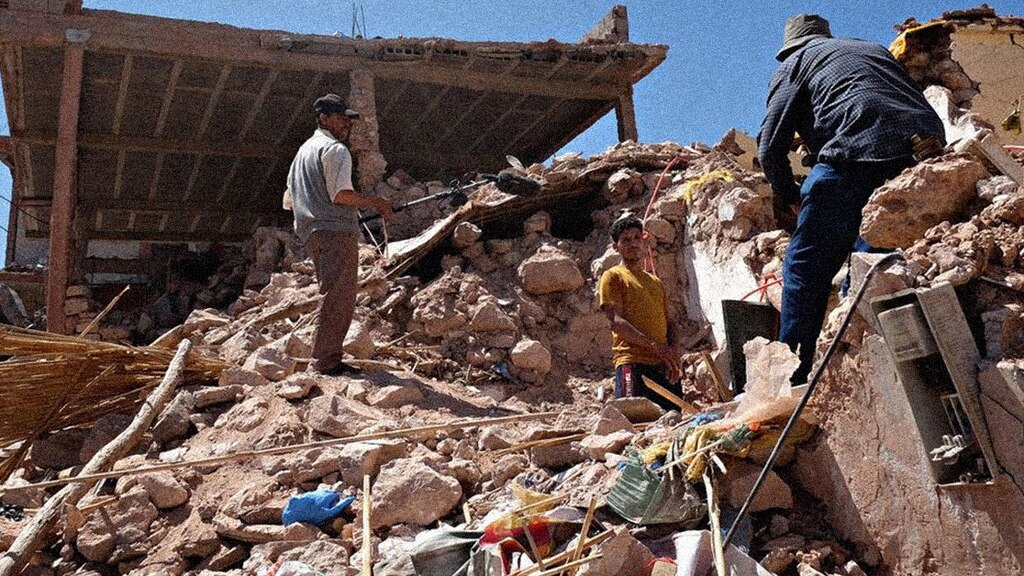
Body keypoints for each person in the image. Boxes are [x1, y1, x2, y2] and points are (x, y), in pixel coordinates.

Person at [757, 14, 945, 384]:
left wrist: (790, 196)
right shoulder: (872, 50)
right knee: (869, 263)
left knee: (804, 267)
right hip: (925, 149)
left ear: (790, 48)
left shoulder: (796, 63)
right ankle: (869, 356)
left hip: (856, 149)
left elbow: (769, 150)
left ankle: (792, 375)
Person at [285, 93, 394, 375]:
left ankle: (324, 357)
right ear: (324, 118)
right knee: (339, 296)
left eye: (349, 119)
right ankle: (326, 361)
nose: (347, 123)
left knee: (330, 293)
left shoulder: (302, 153)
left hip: (313, 234)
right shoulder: (334, 150)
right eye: (341, 117)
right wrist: (377, 203)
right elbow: (340, 194)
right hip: (335, 232)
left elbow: (289, 200)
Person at [598, 215, 683, 410]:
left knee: (673, 422)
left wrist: (673, 355)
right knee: (637, 426)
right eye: (626, 240)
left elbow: (670, 322)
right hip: (633, 363)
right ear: (616, 246)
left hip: (663, 366)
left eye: (637, 238)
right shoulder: (613, 277)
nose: (633, 244)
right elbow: (615, 322)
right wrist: (655, 346)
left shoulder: (655, 282)